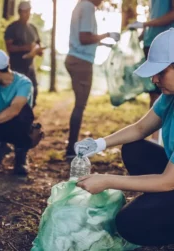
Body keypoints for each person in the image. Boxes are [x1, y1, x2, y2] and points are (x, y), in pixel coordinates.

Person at [75, 28, 174, 251]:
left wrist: (106, 180)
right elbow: (140, 128)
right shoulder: (172, 95)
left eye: (160, 72)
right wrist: (99, 144)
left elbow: (169, 181)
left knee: (130, 223)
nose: (154, 79)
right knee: (133, 149)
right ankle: (169, 208)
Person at [65, 0, 120, 157]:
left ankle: (71, 145)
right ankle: (70, 149)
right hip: (81, 61)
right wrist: (108, 34)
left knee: (79, 105)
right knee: (80, 106)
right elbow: (84, 38)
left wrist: (103, 44)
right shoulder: (88, 7)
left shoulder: (80, 6)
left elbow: (83, 38)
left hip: (75, 58)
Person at [128, 0, 174, 142]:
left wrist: (145, 24)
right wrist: (140, 33)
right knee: (155, 93)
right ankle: (154, 140)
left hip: (168, 44)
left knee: (170, 93)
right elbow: (157, 15)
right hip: (151, 42)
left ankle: (168, 141)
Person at [4, 1, 44, 108]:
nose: (26, 14)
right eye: (24, 12)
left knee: (33, 92)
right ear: (19, 12)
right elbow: (9, 47)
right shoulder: (12, 28)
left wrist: (39, 51)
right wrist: (25, 48)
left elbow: (38, 44)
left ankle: (27, 116)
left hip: (30, 66)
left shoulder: (33, 28)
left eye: (28, 12)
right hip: (17, 66)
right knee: (17, 93)